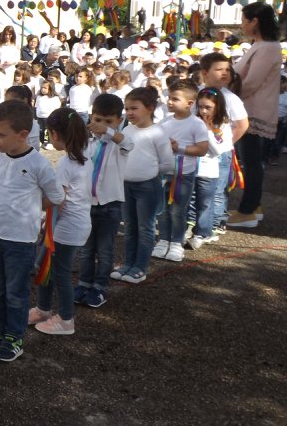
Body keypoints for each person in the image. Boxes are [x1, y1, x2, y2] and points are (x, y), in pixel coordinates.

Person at [0, 100, 63, 362]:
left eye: (0, 135)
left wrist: (30, 210)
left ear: (23, 135)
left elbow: (56, 196)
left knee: (15, 291)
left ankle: (14, 335)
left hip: (20, 241)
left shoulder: (39, 164)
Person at [28, 109, 92, 336]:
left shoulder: (67, 163)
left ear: (54, 134)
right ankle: (43, 309)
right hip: (72, 224)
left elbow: (58, 200)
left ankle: (66, 319)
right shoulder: (82, 157)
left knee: (60, 272)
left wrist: (37, 211)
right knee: (45, 264)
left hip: (67, 227)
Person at [75, 94, 132, 309]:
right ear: (91, 117)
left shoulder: (119, 144)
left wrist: (108, 131)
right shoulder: (87, 143)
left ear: (119, 121)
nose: (101, 126)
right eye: (98, 120)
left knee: (105, 249)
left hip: (110, 205)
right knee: (87, 248)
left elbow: (129, 143)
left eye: (109, 121)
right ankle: (84, 283)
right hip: (86, 203)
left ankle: (100, 287)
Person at [112, 88, 174, 285]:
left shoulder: (157, 132)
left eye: (134, 108)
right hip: (126, 186)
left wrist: (149, 172)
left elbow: (168, 163)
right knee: (130, 226)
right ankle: (128, 263)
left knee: (145, 227)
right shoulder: (127, 130)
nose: (129, 112)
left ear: (150, 108)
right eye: (127, 108)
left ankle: (140, 266)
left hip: (147, 186)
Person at [228, 2, 282, 228]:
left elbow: (251, 82)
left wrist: (227, 94)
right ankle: (253, 205)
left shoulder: (268, 47)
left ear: (255, 21)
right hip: (249, 108)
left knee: (251, 162)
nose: (242, 25)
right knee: (251, 162)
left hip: (253, 110)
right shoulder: (260, 45)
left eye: (244, 20)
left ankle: (248, 209)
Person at [152, 81, 208, 262]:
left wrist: (179, 148)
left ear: (189, 103)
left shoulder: (196, 124)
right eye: (169, 98)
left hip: (184, 174)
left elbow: (202, 149)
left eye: (175, 99)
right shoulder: (165, 122)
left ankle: (176, 242)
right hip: (164, 172)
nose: (169, 102)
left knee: (178, 209)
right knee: (161, 209)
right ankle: (163, 240)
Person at [199, 52, 248, 234]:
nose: (225, 73)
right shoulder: (197, 93)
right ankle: (200, 222)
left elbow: (242, 125)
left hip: (220, 153)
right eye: (219, 69)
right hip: (198, 152)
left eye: (227, 69)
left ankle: (217, 222)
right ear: (205, 73)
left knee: (218, 190)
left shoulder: (230, 98)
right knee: (200, 191)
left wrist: (225, 145)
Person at [190, 88, 233, 249]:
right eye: (200, 107)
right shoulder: (193, 121)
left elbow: (217, 150)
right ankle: (191, 228)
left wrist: (207, 130)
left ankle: (203, 232)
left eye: (208, 107)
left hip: (209, 170)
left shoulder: (223, 125)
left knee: (206, 202)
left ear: (218, 106)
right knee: (191, 199)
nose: (203, 111)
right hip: (191, 167)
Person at [35, 80, 62, 149]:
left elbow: (57, 108)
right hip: (40, 117)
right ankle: (41, 141)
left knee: (49, 130)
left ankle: (50, 143)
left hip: (49, 117)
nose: (43, 90)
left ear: (50, 88)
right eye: (42, 88)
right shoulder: (39, 97)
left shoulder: (55, 98)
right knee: (41, 130)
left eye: (45, 88)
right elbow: (36, 106)